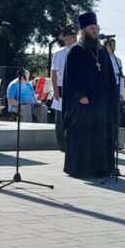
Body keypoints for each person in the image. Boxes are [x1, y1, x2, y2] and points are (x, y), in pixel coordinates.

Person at [62, 11, 117, 178]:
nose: (94, 30)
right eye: (91, 28)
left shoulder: (102, 50)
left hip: (102, 102)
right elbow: (71, 76)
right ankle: (81, 169)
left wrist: (113, 95)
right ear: (83, 30)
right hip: (84, 101)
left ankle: (102, 168)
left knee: (101, 135)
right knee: (84, 135)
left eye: (96, 27)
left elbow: (110, 75)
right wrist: (80, 94)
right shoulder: (76, 50)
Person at [51, 24, 78, 152]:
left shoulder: (81, 51)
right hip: (62, 87)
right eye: (69, 37)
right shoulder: (59, 53)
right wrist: (55, 90)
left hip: (76, 88)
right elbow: (54, 73)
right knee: (61, 117)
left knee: (75, 115)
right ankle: (62, 144)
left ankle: (74, 142)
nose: (73, 39)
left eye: (73, 36)